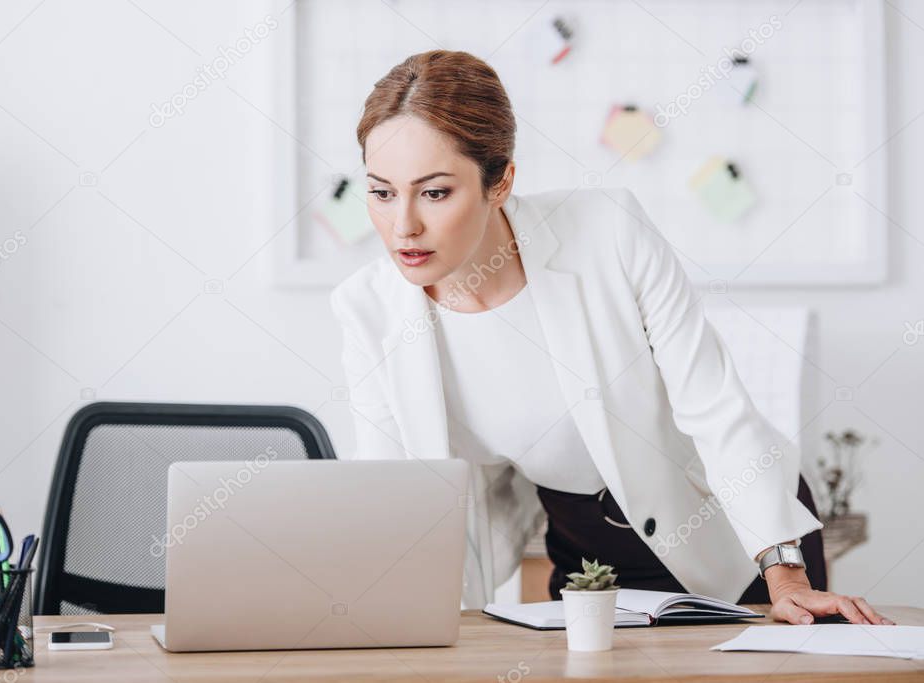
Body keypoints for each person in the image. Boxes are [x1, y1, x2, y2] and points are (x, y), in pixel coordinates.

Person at [329, 49, 893, 626]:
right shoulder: (369, 310)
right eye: (381, 193)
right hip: (586, 558)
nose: (403, 227)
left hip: (738, 537)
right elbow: (390, 489)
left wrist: (785, 570)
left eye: (435, 192)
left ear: (500, 181)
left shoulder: (608, 231)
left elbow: (716, 409)